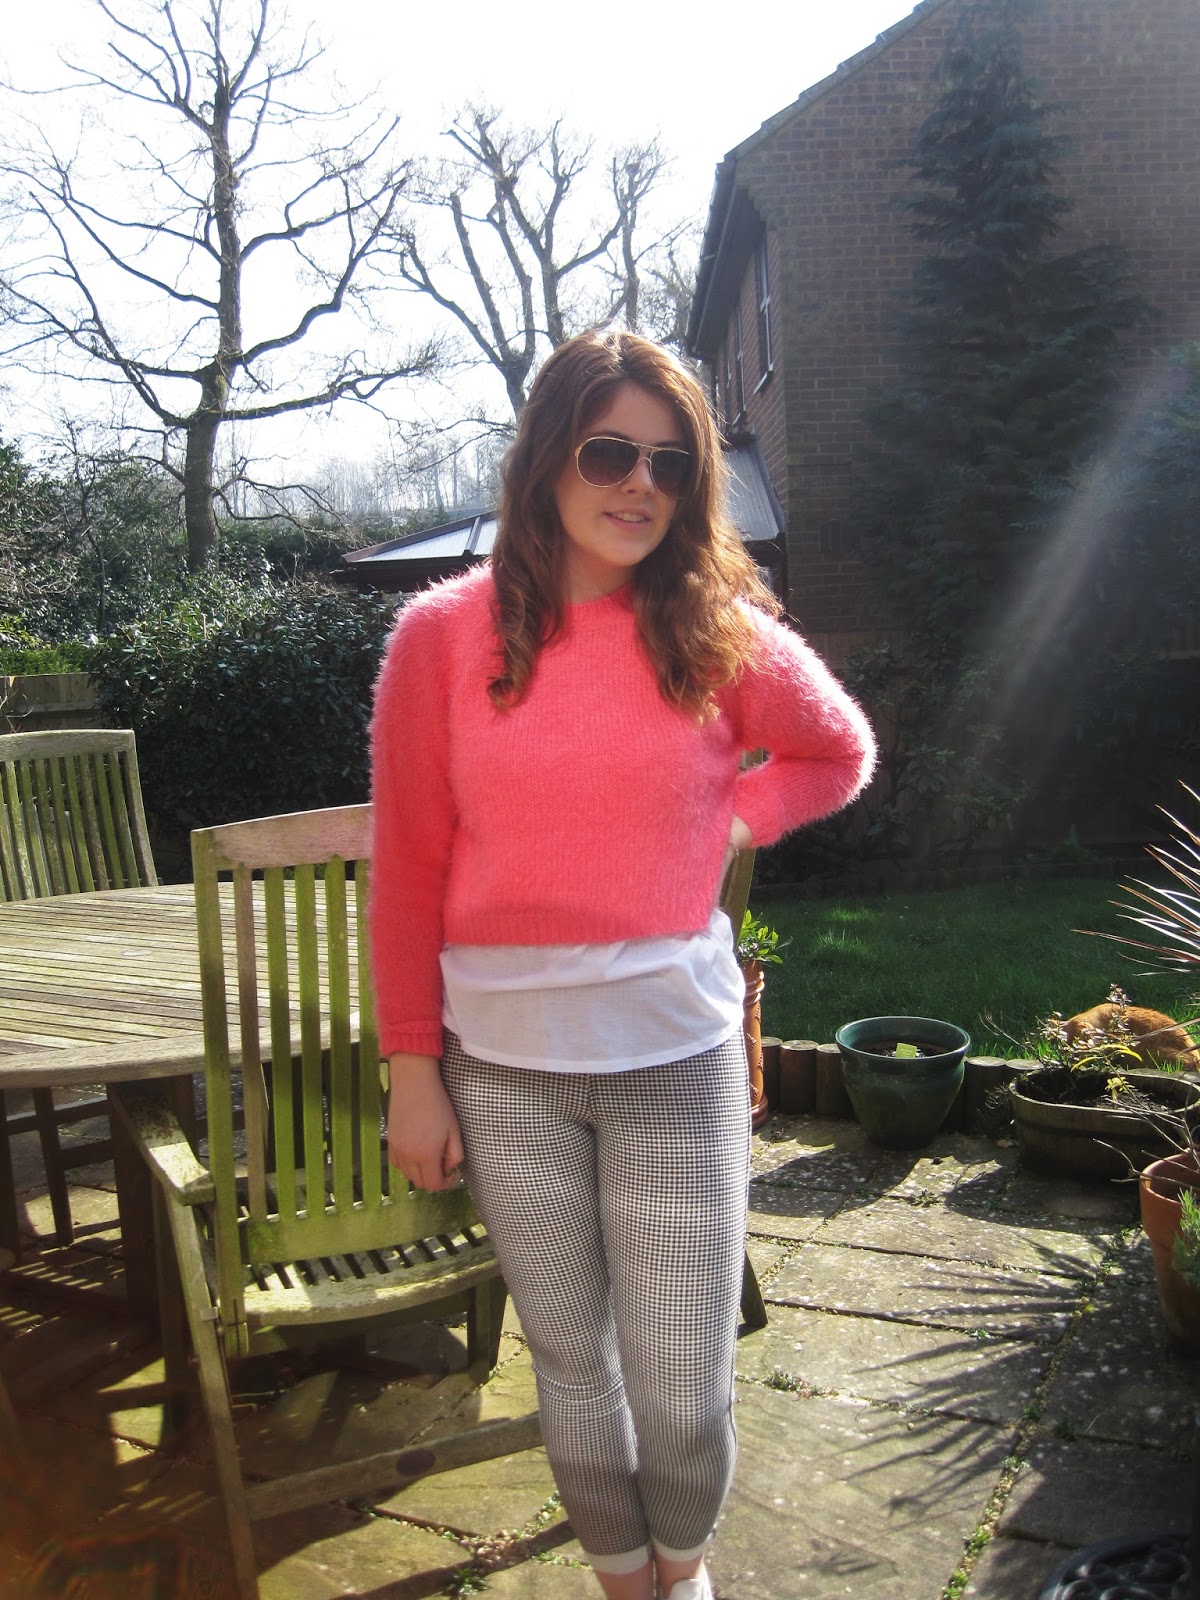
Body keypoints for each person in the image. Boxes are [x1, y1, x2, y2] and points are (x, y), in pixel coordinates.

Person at [369, 329, 876, 1600]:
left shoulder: (715, 630)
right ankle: (619, 1578)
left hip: (676, 1058)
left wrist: (733, 817)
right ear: (547, 457)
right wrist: (411, 1069)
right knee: (570, 1361)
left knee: (684, 1382)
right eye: (609, 452)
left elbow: (837, 750)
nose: (640, 482)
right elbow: (410, 861)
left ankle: (684, 1576)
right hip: (502, 1072)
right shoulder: (441, 636)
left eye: (670, 462)